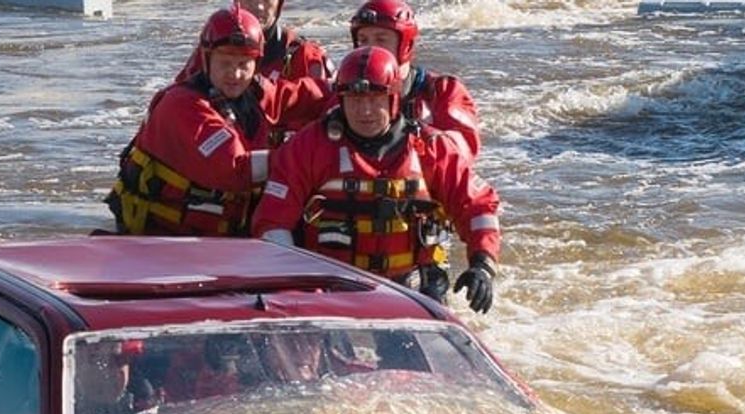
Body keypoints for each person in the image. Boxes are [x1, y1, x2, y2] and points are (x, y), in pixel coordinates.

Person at [250, 47, 500, 313]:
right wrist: (297, 284)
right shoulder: (308, 147)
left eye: (374, 99)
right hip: (332, 287)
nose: (364, 111)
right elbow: (272, 221)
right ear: (340, 99)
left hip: (414, 289)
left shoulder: (431, 148)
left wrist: (482, 264)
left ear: (393, 99)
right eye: (354, 99)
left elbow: (478, 206)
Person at [105, 6, 329, 237]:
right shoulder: (182, 106)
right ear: (206, 59)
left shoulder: (252, 91)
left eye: (244, 65)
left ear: (256, 64)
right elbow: (236, 169)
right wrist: (310, 157)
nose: (235, 74)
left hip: (221, 237)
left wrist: (347, 92)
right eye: (225, 63)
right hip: (164, 239)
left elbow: (301, 96)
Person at [173, 0, 333, 145]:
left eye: (266, 0)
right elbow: (180, 108)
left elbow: (331, 120)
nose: (258, 7)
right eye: (226, 62)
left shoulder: (307, 58)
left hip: (290, 164)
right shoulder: (210, 52)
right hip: (222, 156)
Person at [349, 0, 480, 162]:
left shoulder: (444, 91)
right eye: (363, 40)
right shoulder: (345, 91)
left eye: (381, 40)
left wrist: (413, 137)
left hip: (421, 181)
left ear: (406, 45)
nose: (370, 48)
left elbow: (463, 151)